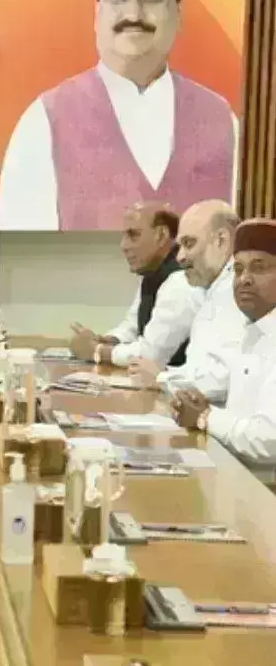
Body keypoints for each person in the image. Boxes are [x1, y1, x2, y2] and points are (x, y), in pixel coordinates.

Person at [0, 0, 238, 231]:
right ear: (97, 10)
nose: (133, 13)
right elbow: (23, 253)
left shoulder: (223, 122)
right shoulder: (44, 122)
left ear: (177, 11)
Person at [172, 218, 276, 482]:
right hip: (239, 479)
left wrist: (206, 417)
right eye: (238, 270)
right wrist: (200, 406)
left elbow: (269, 440)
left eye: (259, 268)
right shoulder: (251, 331)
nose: (244, 280)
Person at [131, 200, 245, 400]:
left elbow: (222, 381)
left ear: (221, 240)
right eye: (180, 246)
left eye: (189, 244)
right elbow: (201, 368)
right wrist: (164, 376)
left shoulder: (239, 290)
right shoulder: (215, 288)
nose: (180, 257)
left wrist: (160, 378)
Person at [69, 202, 198, 367]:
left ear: (161, 235)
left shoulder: (181, 279)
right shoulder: (151, 272)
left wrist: (98, 351)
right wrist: (109, 340)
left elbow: (151, 354)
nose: (123, 245)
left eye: (133, 235)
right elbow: (133, 326)